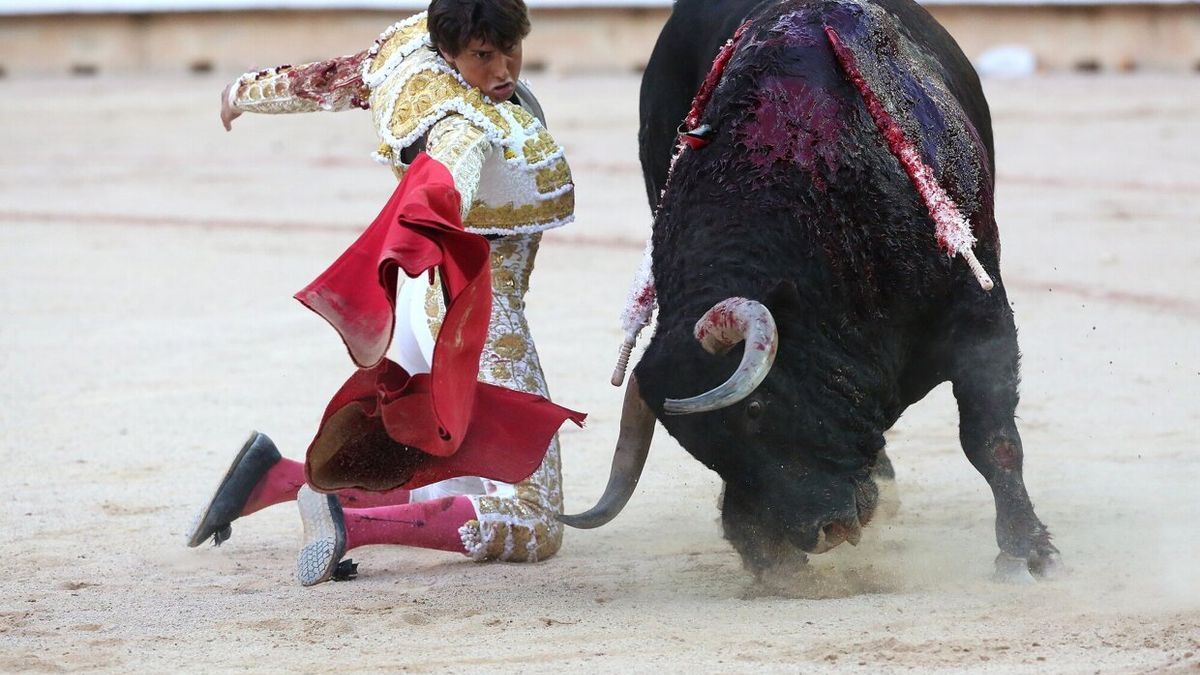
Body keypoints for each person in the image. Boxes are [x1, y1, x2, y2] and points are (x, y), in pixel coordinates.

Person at [186, 0, 583, 587]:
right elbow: (448, 179)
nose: (503, 70)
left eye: (510, 50)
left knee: (450, 472)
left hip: (429, 313)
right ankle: (349, 524)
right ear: (448, 51)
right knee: (534, 521)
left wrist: (245, 92)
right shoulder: (460, 126)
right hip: (478, 324)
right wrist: (440, 203)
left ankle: (280, 479)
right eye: (482, 56)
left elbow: (337, 78)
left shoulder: (413, 58)